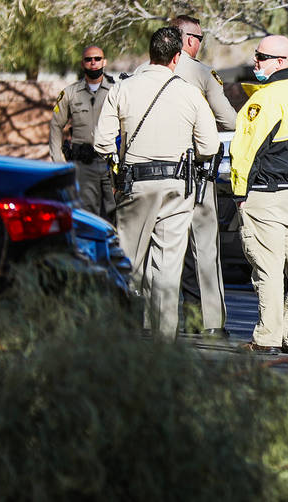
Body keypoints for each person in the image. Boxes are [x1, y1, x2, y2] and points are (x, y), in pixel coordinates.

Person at [94, 27, 218, 340]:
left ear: (150, 54)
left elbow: (101, 141)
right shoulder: (189, 92)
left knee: (128, 264)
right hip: (178, 186)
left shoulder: (123, 88)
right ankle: (163, 342)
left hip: (136, 183)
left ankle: (121, 335)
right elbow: (209, 146)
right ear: (177, 57)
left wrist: (117, 163)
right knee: (168, 268)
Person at [229, 35, 288, 355]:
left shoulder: (265, 99)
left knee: (268, 269)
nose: (255, 61)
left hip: (267, 196)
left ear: (281, 62)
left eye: (262, 56)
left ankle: (267, 337)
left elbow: (245, 151)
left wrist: (239, 192)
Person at [170, 15, 236, 339]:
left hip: (156, 176)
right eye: (200, 37)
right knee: (205, 250)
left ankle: (164, 322)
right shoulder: (201, 73)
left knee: (167, 251)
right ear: (190, 40)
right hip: (194, 174)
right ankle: (210, 323)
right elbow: (228, 118)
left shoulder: (143, 74)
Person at [49, 45, 116, 219]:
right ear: (82, 63)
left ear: (104, 61)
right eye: (88, 59)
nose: (93, 63)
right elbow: (56, 126)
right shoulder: (70, 93)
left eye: (97, 59)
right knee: (87, 214)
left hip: (111, 163)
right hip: (84, 164)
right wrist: (58, 160)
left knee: (115, 211)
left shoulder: (117, 90)